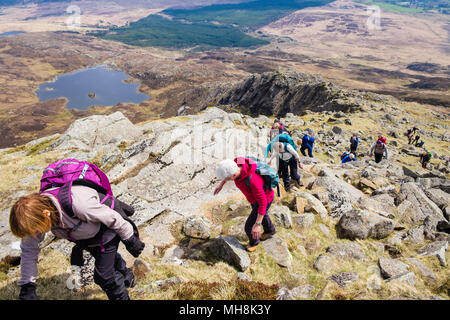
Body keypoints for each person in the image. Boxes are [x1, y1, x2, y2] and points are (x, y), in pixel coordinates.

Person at [9, 187, 145, 300]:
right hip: (86, 238)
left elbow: (113, 218)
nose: (34, 235)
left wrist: (130, 239)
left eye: (35, 230)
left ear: (46, 214)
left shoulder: (79, 204)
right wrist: (27, 285)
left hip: (106, 232)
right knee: (104, 259)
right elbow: (28, 251)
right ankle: (128, 277)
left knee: (104, 276)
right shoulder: (36, 217)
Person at [214, 158, 276, 252]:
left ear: (234, 175)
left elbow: (262, 202)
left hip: (265, 199)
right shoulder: (236, 164)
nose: (226, 180)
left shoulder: (252, 180)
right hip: (254, 199)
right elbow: (228, 172)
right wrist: (221, 184)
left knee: (250, 226)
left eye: (227, 179)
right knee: (263, 215)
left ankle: (254, 242)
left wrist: (258, 224)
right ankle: (270, 230)